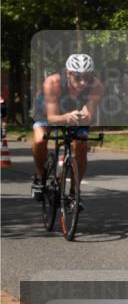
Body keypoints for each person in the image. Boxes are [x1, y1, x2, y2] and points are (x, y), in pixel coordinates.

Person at [31, 54, 105, 200]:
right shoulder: (52, 83)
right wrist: (65, 117)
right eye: (78, 77)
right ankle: (40, 176)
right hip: (47, 112)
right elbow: (52, 118)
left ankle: (74, 190)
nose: (83, 82)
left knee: (81, 145)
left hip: (74, 113)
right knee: (40, 140)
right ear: (68, 73)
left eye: (87, 77)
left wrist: (82, 116)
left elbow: (88, 116)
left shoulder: (97, 86)